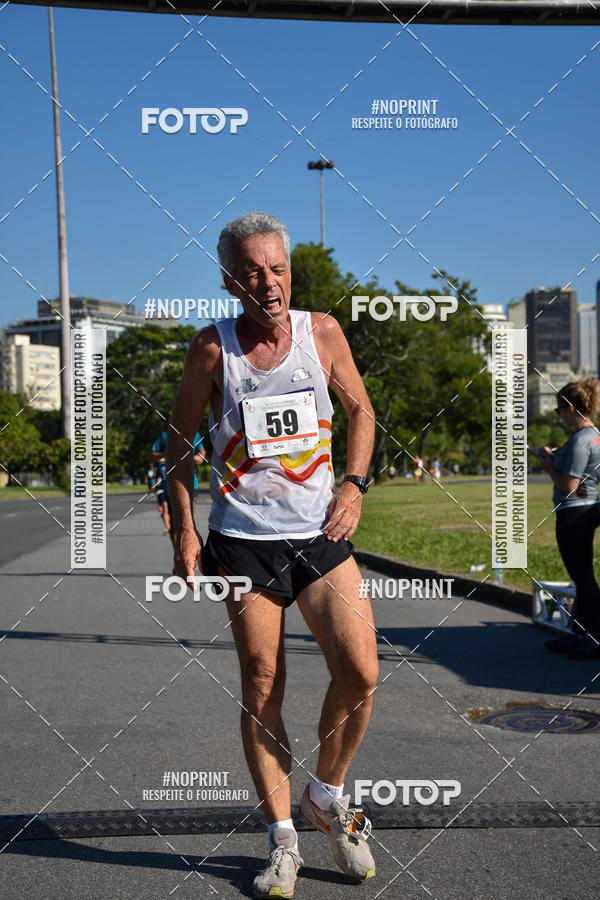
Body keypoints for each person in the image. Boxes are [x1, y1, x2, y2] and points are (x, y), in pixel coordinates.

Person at [167, 212, 378, 898]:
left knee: (361, 673)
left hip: (320, 532)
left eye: (278, 268)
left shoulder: (323, 333)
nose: (268, 282)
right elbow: (178, 444)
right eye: (252, 272)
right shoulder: (211, 349)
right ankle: (283, 838)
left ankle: (327, 794)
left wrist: (353, 486)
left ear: (291, 271)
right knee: (262, 684)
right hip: (244, 541)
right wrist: (185, 533)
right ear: (230, 282)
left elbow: (362, 412)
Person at [537, 377, 600, 660]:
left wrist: (548, 468)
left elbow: (569, 485)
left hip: (574, 512)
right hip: (588, 508)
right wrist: (554, 459)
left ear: (570, 408)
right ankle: (580, 633)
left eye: (558, 409)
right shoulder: (594, 435)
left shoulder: (580, 440)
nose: (558, 415)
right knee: (582, 576)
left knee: (583, 578)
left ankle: (594, 637)